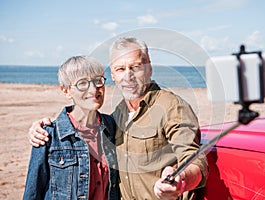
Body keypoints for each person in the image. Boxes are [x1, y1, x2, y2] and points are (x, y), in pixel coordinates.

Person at [28, 37, 208, 200]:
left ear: (149, 68)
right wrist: (46, 126)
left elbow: (193, 159)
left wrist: (180, 179)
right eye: (120, 69)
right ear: (113, 75)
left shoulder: (172, 106)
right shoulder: (115, 117)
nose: (128, 76)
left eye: (136, 67)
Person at [23, 56, 120, 200]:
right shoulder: (48, 135)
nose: (93, 89)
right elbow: (33, 192)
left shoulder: (112, 126)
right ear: (66, 91)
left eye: (98, 81)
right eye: (82, 83)